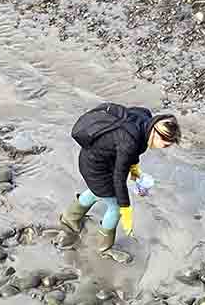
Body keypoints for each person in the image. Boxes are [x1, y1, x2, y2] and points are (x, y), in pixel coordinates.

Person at [57, 104, 181, 263]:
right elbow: (119, 178)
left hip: (94, 157)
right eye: (165, 145)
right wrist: (126, 210)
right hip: (96, 167)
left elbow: (131, 151)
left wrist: (136, 173)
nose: (165, 148)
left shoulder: (145, 117)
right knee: (114, 206)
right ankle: (105, 248)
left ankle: (70, 218)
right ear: (157, 135)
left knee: (98, 192)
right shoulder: (130, 143)